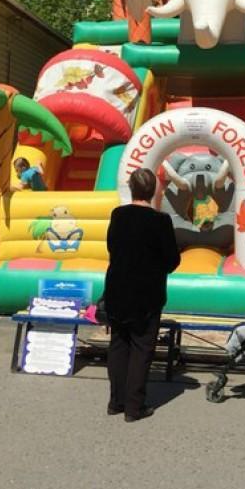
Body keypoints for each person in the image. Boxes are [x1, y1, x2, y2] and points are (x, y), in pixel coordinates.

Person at [104, 168, 180, 422]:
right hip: (146, 293)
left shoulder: (118, 215)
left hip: (117, 288)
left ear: (131, 188)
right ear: (153, 191)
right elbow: (172, 259)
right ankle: (134, 406)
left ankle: (116, 401)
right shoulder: (161, 221)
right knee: (141, 348)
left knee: (118, 345)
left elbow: (112, 247)